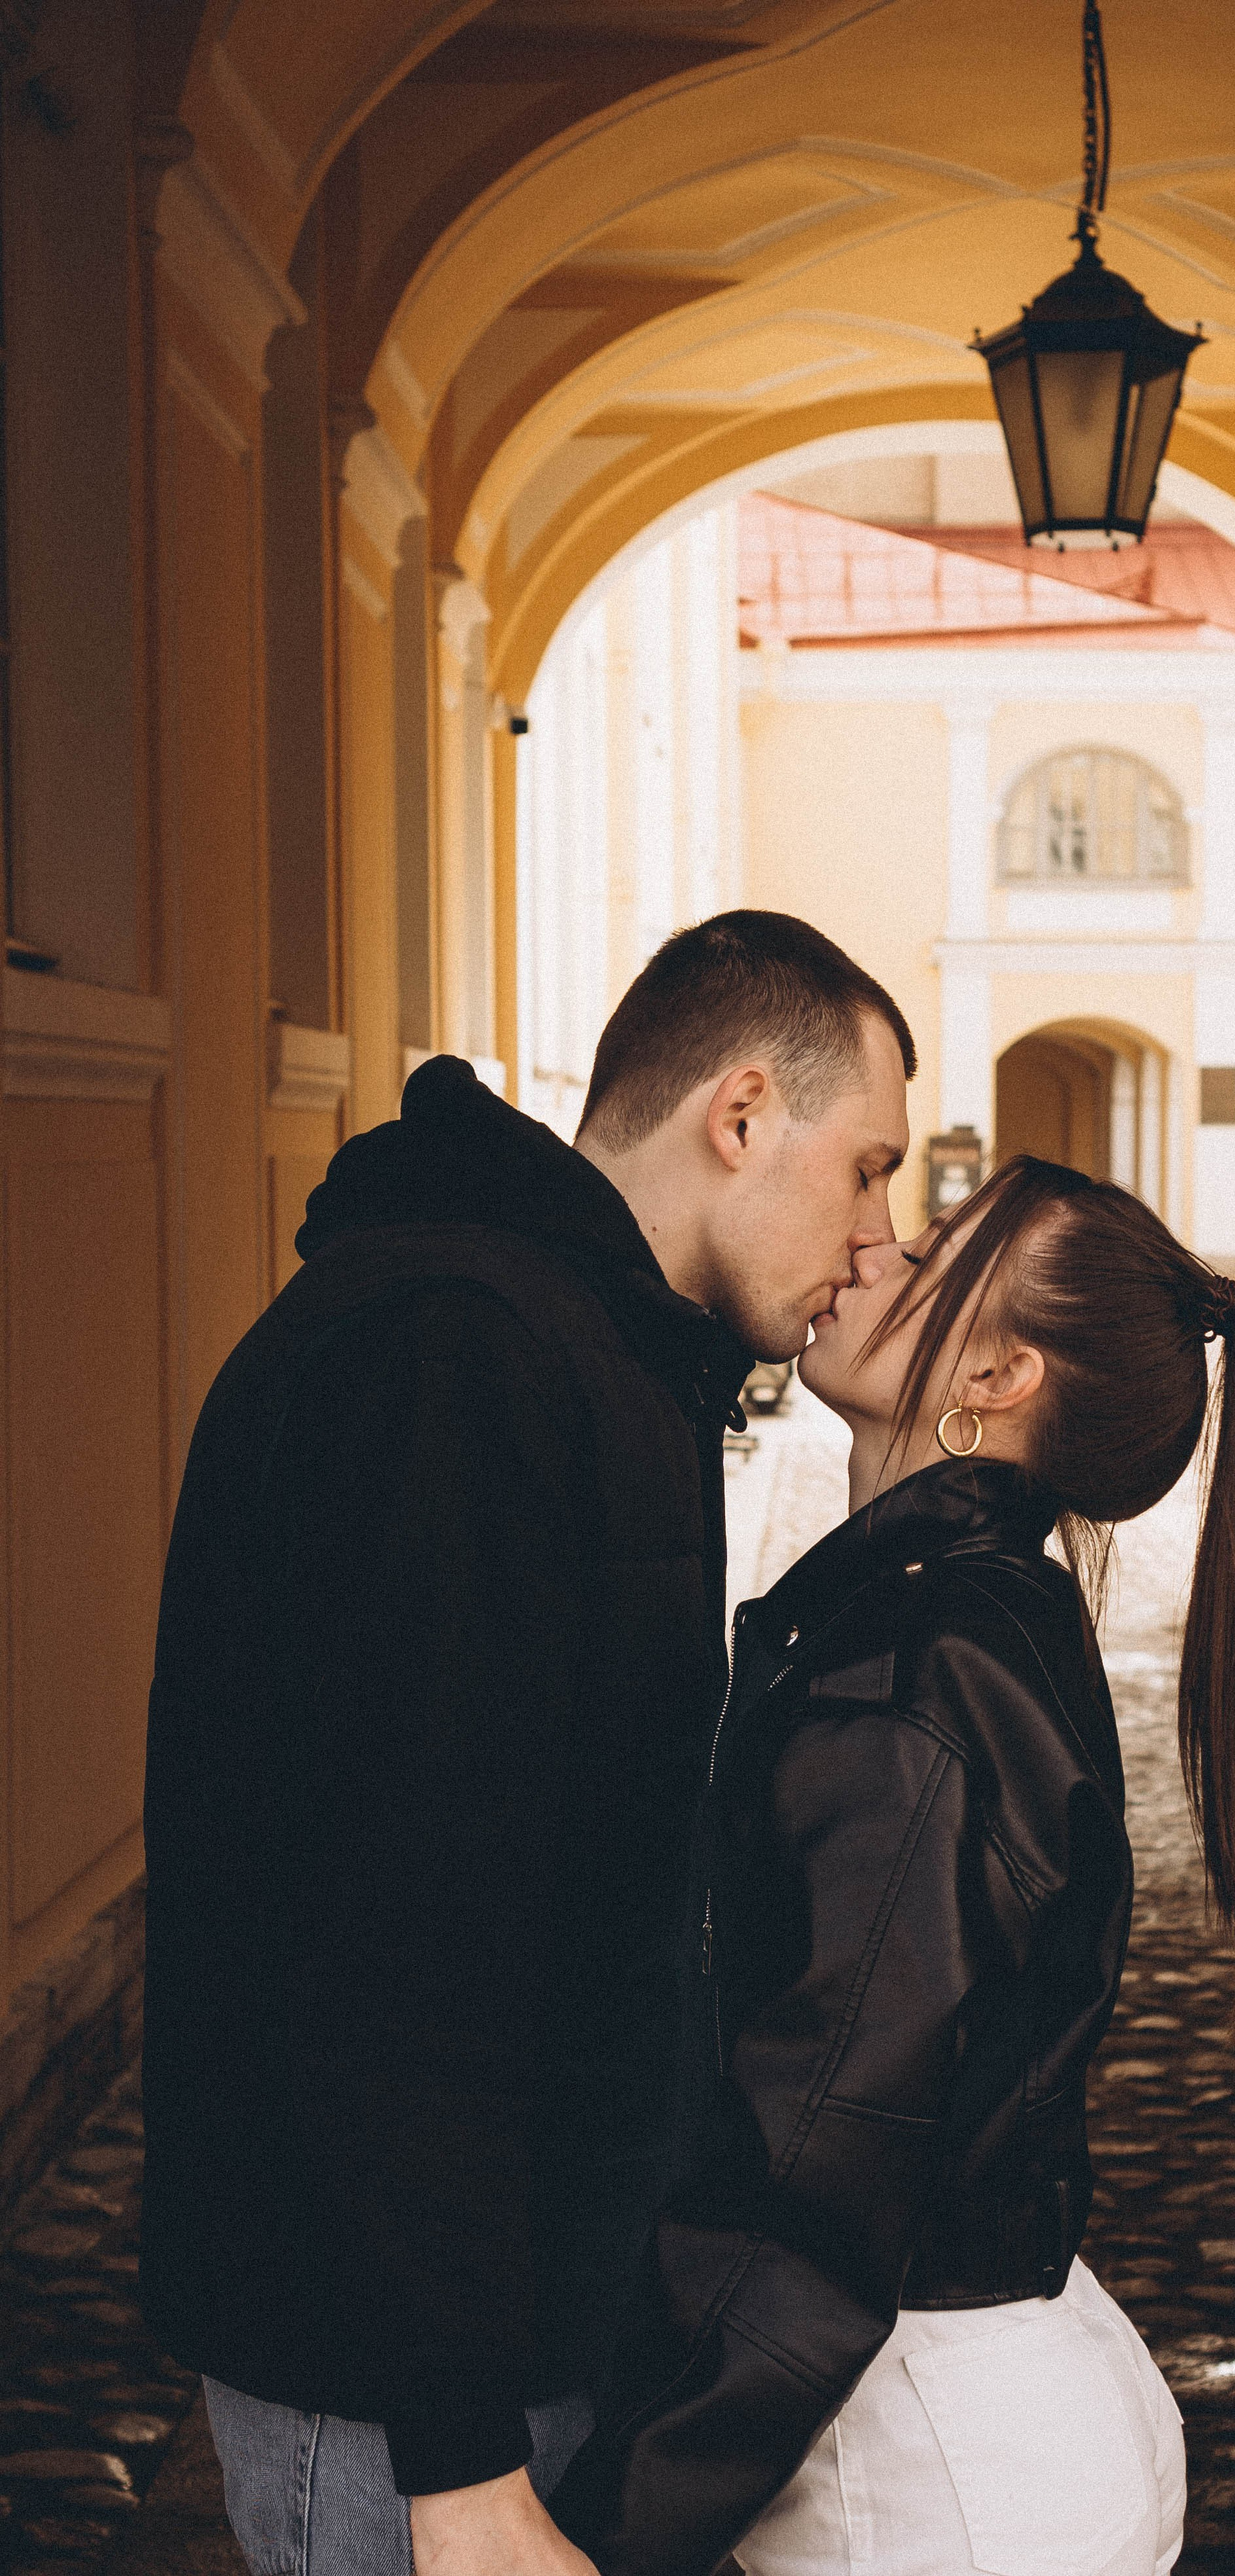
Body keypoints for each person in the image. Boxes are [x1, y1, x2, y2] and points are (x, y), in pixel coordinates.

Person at [140, 912, 915, 2576]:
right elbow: (386, 1931)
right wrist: (461, 2452)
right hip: (406, 2398)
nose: (876, 1233)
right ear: (739, 1113)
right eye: (865, 1169)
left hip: (501, 2342)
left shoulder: (585, 1352)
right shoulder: (456, 1362)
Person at [553, 1154, 1235, 2576]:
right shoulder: (956, 1622)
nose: (871, 1251)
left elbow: (816, 2159)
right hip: (984, 2422)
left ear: (998, 1372)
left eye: (929, 1255)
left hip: (931, 2483)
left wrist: (602, 2531)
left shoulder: (920, 1672)